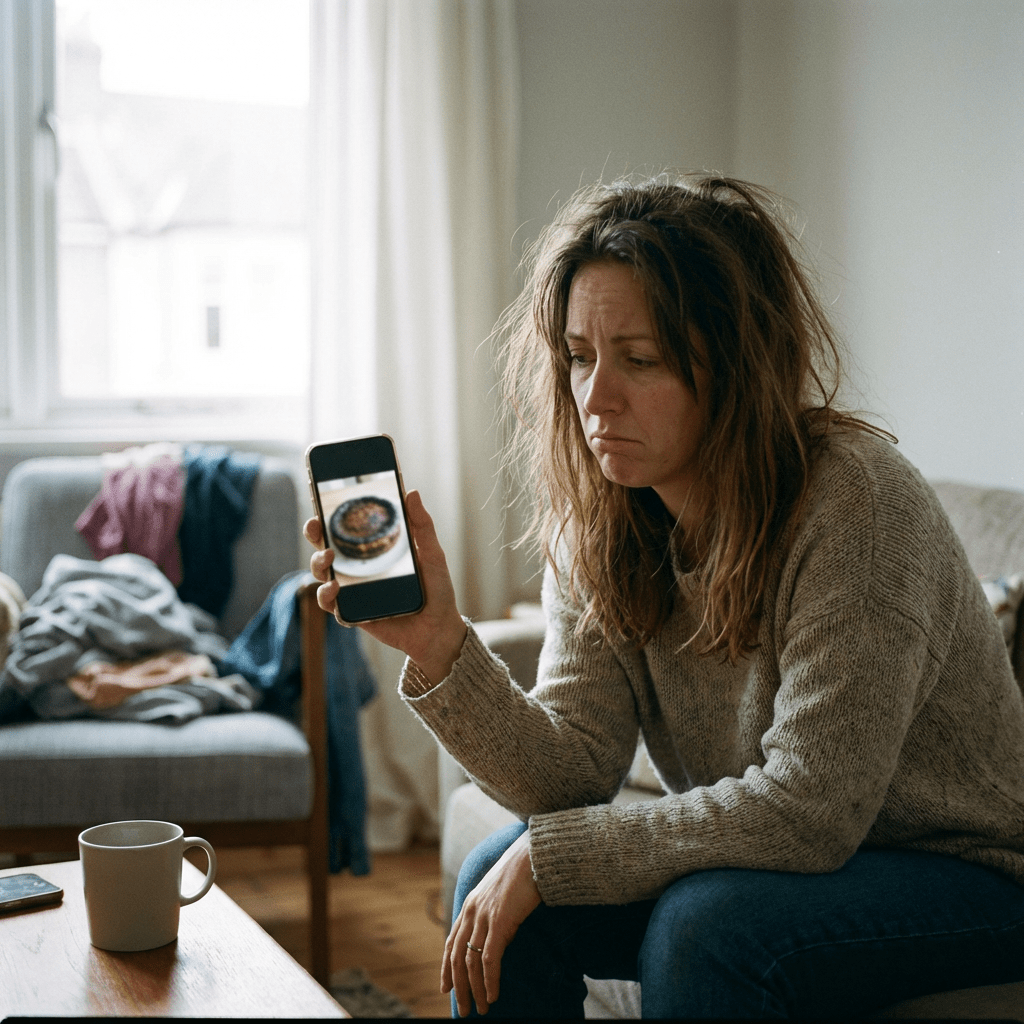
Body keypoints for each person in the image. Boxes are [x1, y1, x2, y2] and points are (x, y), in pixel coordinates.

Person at [306, 175, 1024, 1018]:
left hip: (969, 869)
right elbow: (572, 773)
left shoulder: (859, 507)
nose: (595, 399)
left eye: (639, 360)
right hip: (804, 860)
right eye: (579, 356)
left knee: (703, 926)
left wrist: (551, 857)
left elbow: (809, 810)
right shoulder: (601, 521)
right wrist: (440, 646)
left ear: (736, 364)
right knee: (488, 880)